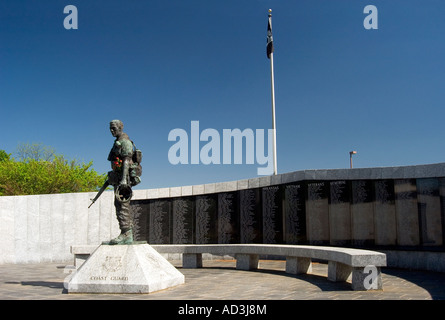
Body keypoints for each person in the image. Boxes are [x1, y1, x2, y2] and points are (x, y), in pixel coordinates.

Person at [107, 119, 142, 245]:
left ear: (121, 127)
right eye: (110, 128)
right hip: (119, 179)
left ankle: (126, 234)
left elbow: (126, 160)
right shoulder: (117, 141)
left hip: (124, 181)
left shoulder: (125, 141)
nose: (112, 130)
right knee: (119, 206)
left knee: (123, 206)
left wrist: (123, 180)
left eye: (114, 128)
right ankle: (125, 232)